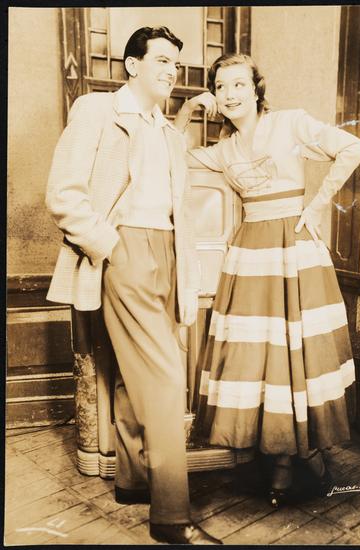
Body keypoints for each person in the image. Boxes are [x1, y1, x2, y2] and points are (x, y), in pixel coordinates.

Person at [45, 26, 221, 545]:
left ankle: (134, 479)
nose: (172, 71)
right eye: (161, 60)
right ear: (132, 65)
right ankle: (172, 515)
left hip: (168, 254)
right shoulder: (98, 111)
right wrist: (110, 246)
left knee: (133, 373)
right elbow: (63, 193)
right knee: (165, 380)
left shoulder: (165, 129)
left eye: (175, 64)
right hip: (124, 252)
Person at [174, 53, 360, 507]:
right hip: (249, 255)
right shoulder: (223, 151)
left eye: (238, 84)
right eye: (220, 87)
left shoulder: (290, 122)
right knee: (260, 357)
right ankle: (278, 456)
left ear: (256, 89)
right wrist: (186, 110)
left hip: (293, 250)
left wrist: (316, 205)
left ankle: (302, 454)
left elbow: (353, 147)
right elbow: (171, 158)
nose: (229, 94)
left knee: (295, 351)